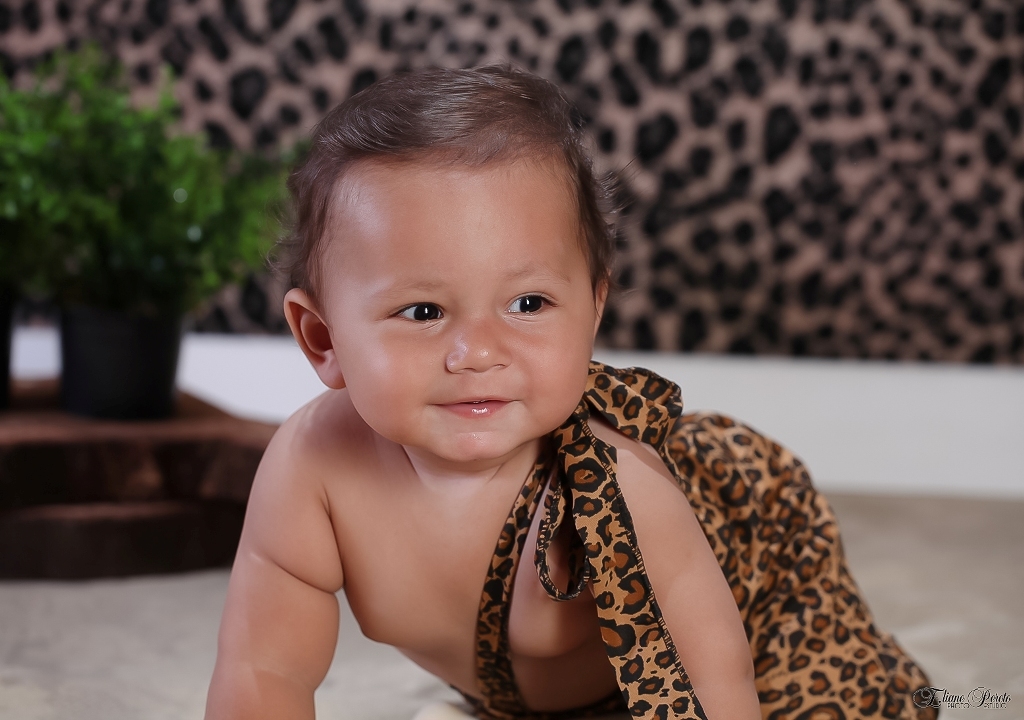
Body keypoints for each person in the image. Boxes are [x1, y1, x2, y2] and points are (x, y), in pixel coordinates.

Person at [205, 65, 935, 720]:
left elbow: (711, 680)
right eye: (422, 312)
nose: (478, 353)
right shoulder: (312, 470)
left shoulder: (618, 485)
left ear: (592, 308)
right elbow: (263, 669)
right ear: (323, 338)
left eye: (528, 303)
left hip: (757, 609)